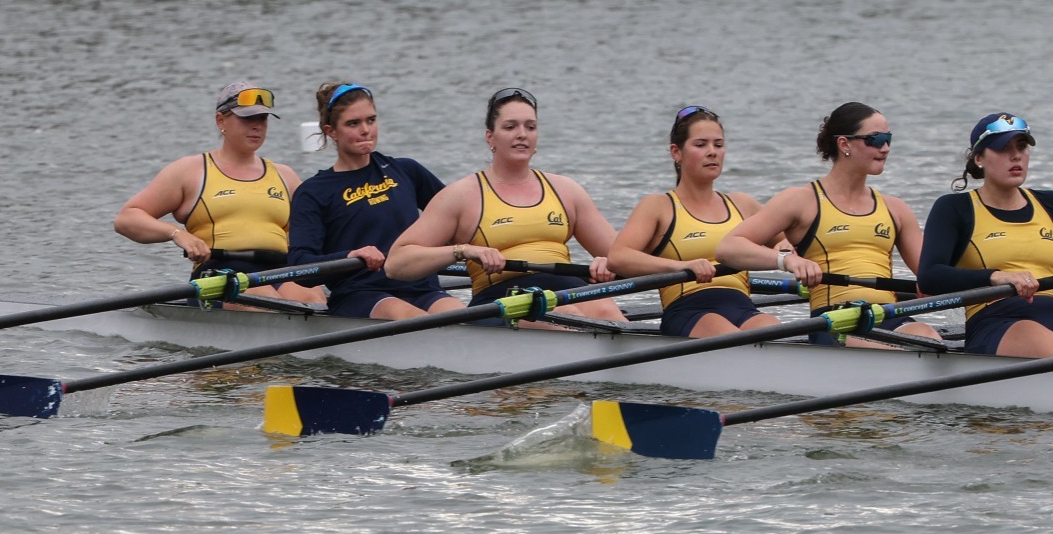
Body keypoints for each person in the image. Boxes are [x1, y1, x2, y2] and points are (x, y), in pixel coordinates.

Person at [385, 87, 623, 321]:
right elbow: (396, 264)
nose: (522, 134)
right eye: (510, 127)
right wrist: (463, 251)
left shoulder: (566, 190)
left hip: (566, 288)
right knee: (566, 314)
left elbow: (626, 258)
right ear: (490, 137)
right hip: (501, 298)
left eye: (530, 127)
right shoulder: (461, 196)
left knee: (605, 310)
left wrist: (607, 263)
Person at [717, 101, 942, 347]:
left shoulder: (895, 208)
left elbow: (932, 275)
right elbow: (729, 247)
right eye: (876, 139)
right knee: (901, 350)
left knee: (928, 336)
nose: (885, 148)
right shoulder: (801, 201)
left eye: (888, 139)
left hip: (886, 316)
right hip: (834, 321)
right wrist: (787, 260)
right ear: (844, 144)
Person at [918, 113, 1053, 357]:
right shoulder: (955, 208)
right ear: (979, 158)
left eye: (1021, 147)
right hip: (996, 320)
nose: (1016, 156)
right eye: (1003, 148)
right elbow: (930, 276)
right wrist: (996, 277)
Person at [113, 82, 325, 302]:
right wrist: (177, 234)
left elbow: (320, 229)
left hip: (280, 269)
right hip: (220, 273)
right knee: (263, 298)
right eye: (247, 118)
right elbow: (127, 218)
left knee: (312, 297)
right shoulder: (190, 171)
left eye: (262, 118)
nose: (257, 126)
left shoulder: (285, 175)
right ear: (220, 120)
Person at [286, 83, 468, 321]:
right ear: (331, 131)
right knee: (415, 319)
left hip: (422, 288)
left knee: (463, 318)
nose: (366, 130)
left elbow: (462, 222)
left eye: (370, 120)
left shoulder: (407, 171)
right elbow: (300, 265)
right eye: (353, 123)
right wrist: (350, 255)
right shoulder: (313, 192)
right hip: (360, 294)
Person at [607, 106, 784, 338]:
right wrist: (681, 266)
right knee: (728, 334)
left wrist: (785, 249)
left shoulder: (743, 204)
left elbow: (790, 243)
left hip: (743, 308)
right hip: (687, 310)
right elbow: (618, 257)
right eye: (701, 145)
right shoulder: (658, 206)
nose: (712, 152)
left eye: (718, 145)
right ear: (676, 152)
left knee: (774, 328)